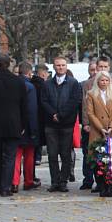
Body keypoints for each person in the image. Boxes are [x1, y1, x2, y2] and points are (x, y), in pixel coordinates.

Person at [41, 56, 82, 193]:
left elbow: (75, 101)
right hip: (51, 124)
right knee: (52, 155)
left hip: (66, 124)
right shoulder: (47, 84)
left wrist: (61, 115)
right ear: (54, 67)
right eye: (58, 65)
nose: (61, 67)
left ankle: (63, 181)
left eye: (63, 65)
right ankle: (54, 182)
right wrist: (53, 114)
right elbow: (44, 101)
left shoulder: (73, 83)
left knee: (65, 155)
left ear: (66, 66)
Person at [0, 54, 27, 196]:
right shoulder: (18, 82)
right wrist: (23, 124)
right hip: (14, 124)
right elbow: (24, 105)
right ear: (9, 64)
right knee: (10, 157)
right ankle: (6, 187)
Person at [86, 71, 112, 197]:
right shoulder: (91, 94)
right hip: (97, 130)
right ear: (97, 81)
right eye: (102, 80)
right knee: (98, 159)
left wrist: (111, 126)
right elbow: (90, 113)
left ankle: (110, 185)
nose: (104, 83)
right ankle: (101, 185)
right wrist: (101, 128)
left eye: (107, 80)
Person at [12, 62, 40, 193]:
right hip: (28, 127)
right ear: (29, 73)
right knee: (29, 155)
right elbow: (32, 110)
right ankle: (28, 181)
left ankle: (14, 181)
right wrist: (34, 129)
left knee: (16, 155)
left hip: (14, 125)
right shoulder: (30, 87)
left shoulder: (12, 84)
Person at [79, 61, 99, 190]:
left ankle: (100, 180)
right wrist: (85, 123)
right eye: (92, 70)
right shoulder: (84, 85)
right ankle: (87, 179)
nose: (95, 72)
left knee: (100, 155)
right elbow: (83, 106)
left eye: (96, 69)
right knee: (87, 154)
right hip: (88, 126)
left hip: (101, 126)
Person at [31, 63, 49, 170]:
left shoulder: (30, 83)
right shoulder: (44, 85)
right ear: (42, 74)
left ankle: (36, 157)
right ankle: (37, 157)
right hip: (42, 116)